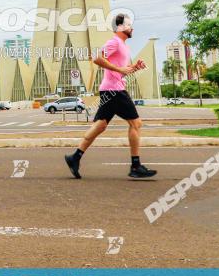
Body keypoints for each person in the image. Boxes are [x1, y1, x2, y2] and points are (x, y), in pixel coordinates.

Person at [64, 13, 156, 179]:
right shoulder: (114, 42)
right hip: (115, 91)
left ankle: (74, 157)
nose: (132, 28)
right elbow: (97, 58)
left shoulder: (123, 45)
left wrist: (134, 67)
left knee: (100, 126)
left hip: (110, 89)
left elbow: (121, 71)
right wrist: (120, 70)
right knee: (136, 123)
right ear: (120, 27)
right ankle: (135, 166)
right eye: (129, 25)